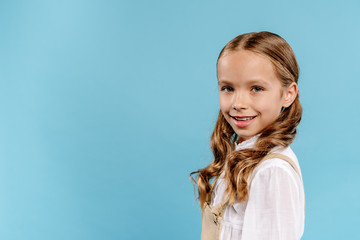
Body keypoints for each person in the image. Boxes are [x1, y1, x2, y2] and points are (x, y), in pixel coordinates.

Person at [190, 31, 305, 240]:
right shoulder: (243, 154)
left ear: (288, 94)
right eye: (228, 88)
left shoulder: (271, 171)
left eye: (256, 88)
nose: (238, 103)